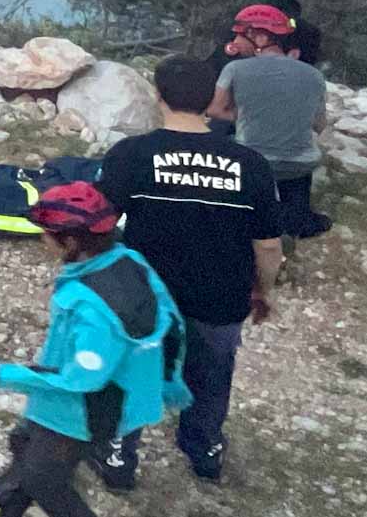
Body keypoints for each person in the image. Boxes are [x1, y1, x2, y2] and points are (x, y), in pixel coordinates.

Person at [95, 56, 283, 487]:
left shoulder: (131, 155)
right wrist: (263, 290)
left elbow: (99, 225)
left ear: (158, 95)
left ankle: (120, 458)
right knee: (212, 375)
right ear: (210, 101)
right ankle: (206, 451)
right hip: (220, 298)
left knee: (133, 374)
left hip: (146, 299)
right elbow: (269, 244)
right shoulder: (250, 164)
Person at [0, 183, 191, 517]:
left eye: (46, 235)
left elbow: (79, 380)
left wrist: (5, 374)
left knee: (44, 480)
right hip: (95, 398)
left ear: (70, 242)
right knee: (24, 445)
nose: (42, 241)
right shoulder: (130, 261)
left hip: (80, 412)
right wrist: (171, 381)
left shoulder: (91, 309)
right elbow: (173, 325)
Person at [208, 5, 332, 240]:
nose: (235, 42)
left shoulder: (235, 68)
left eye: (241, 35)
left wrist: (244, 115)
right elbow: (319, 125)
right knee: (294, 162)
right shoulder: (314, 75)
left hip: (253, 163)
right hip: (300, 165)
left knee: (221, 138)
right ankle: (296, 219)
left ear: (261, 37)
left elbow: (214, 109)